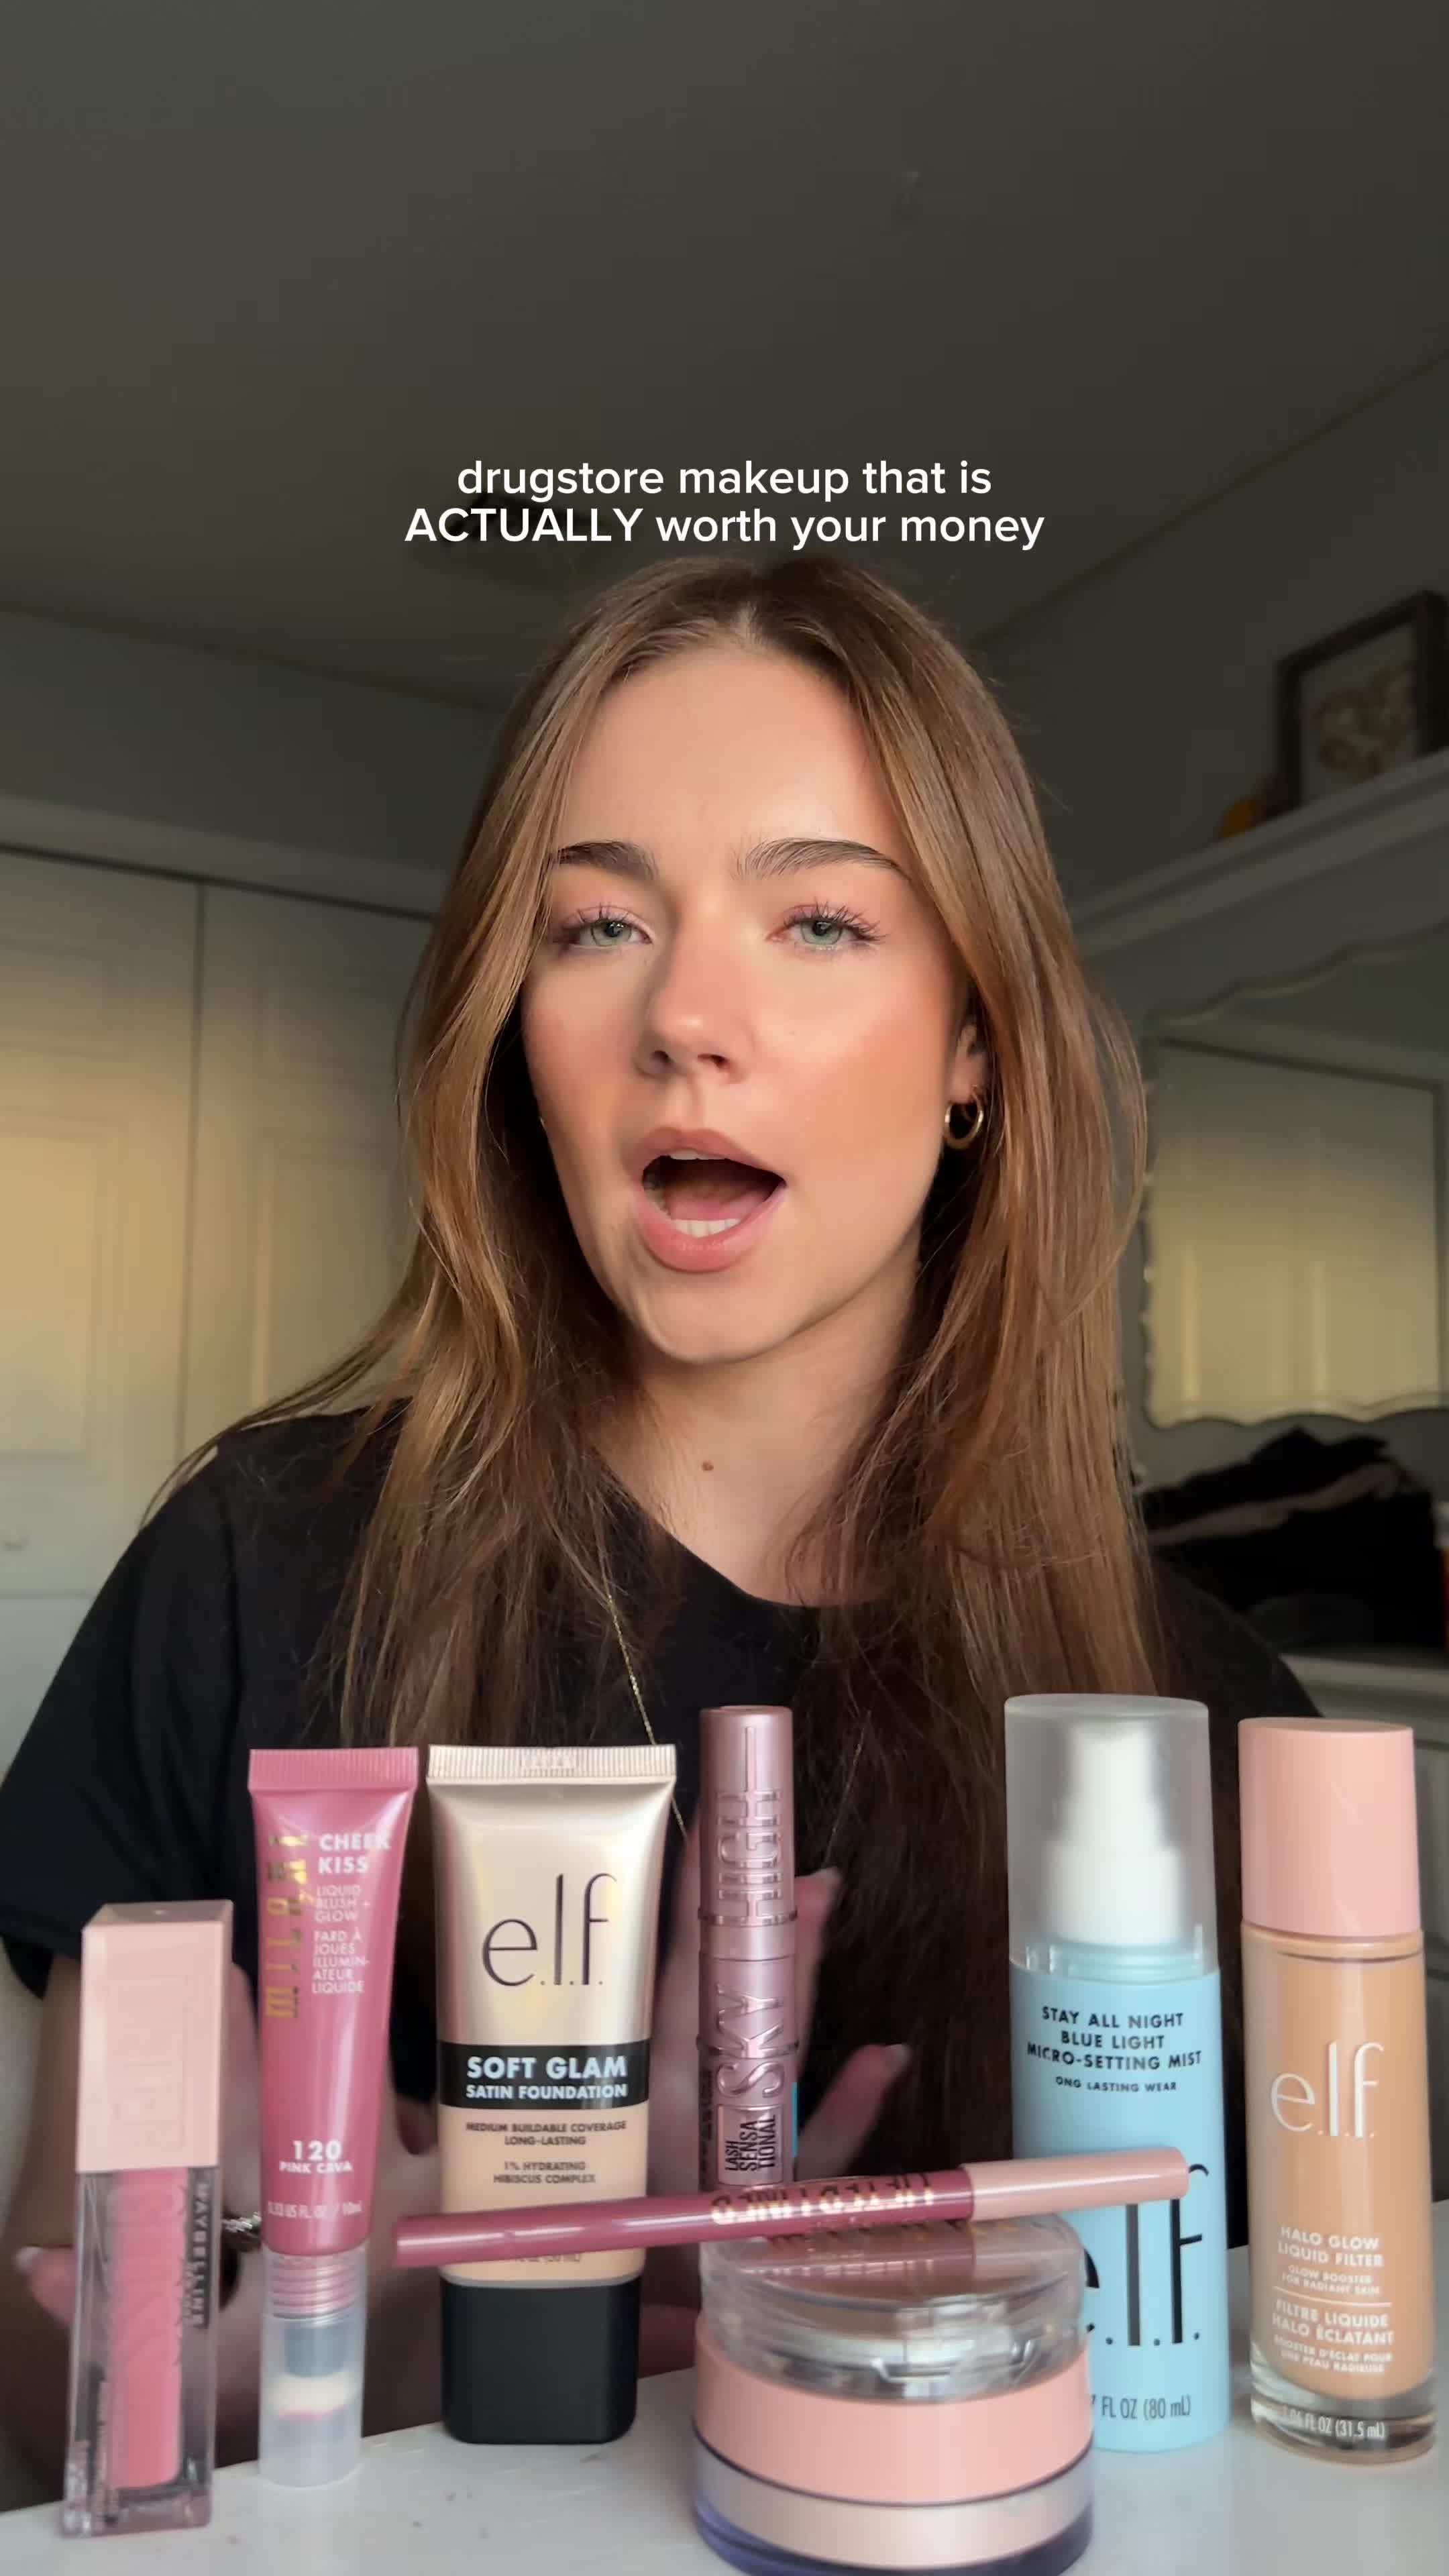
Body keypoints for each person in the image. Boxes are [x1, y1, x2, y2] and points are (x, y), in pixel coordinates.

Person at [0, 555, 1312, 2485]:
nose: (685, 1015)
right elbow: (40, 2390)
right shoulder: (256, 1561)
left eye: (820, 920)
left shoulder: (1214, 1719)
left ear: (976, 1046)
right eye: (598, 923)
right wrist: (355, 2349)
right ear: (514, 1031)